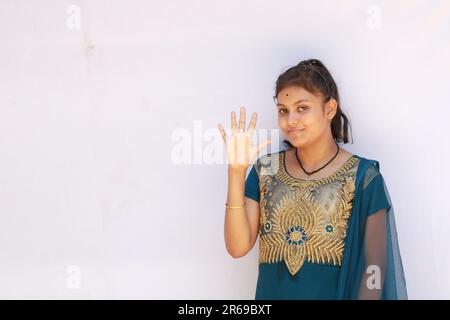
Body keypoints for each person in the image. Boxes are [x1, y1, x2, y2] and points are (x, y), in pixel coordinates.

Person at [218, 59, 407, 300]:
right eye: (283, 110)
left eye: (302, 108)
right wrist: (236, 172)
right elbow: (237, 247)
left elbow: (376, 270)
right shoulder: (265, 170)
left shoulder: (364, 178)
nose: (291, 120)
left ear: (329, 110)